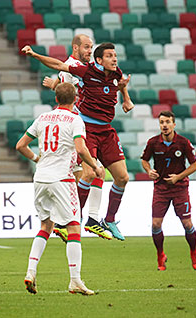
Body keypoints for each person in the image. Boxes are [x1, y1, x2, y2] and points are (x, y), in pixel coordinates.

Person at [22, 42, 134, 241]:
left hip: (106, 130)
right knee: (90, 172)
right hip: (87, 128)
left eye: (115, 55)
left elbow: (120, 83)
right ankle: (72, 220)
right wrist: (34, 55)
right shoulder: (86, 71)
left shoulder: (116, 72)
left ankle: (109, 219)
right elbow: (58, 65)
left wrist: (125, 98)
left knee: (123, 177)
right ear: (99, 60)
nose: (114, 59)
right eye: (109, 56)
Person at [16, 82, 105, 295]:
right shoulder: (76, 120)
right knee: (74, 228)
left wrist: (37, 158)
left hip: (40, 178)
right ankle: (75, 281)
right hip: (62, 179)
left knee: (45, 226)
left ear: (56, 99)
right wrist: (94, 166)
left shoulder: (42, 118)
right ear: (75, 99)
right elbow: (81, 148)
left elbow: (20, 145)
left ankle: (31, 272)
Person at [42, 34, 111, 241]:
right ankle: (75, 220)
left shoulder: (84, 68)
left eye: (92, 47)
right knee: (91, 173)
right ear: (76, 48)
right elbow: (69, 95)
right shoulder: (70, 67)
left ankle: (79, 220)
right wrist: (57, 85)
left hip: (77, 126)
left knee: (91, 174)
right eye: (87, 47)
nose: (90, 51)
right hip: (73, 127)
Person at [141, 111, 196, 271]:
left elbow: (194, 165)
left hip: (180, 188)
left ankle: (193, 252)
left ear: (174, 124)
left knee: (187, 224)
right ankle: (160, 254)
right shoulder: (153, 143)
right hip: (160, 188)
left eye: (167, 122)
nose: (164, 125)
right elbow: (144, 160)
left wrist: (178, 177)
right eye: (161, 122)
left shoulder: (183, 143)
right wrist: (149, 171)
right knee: (155, 224)